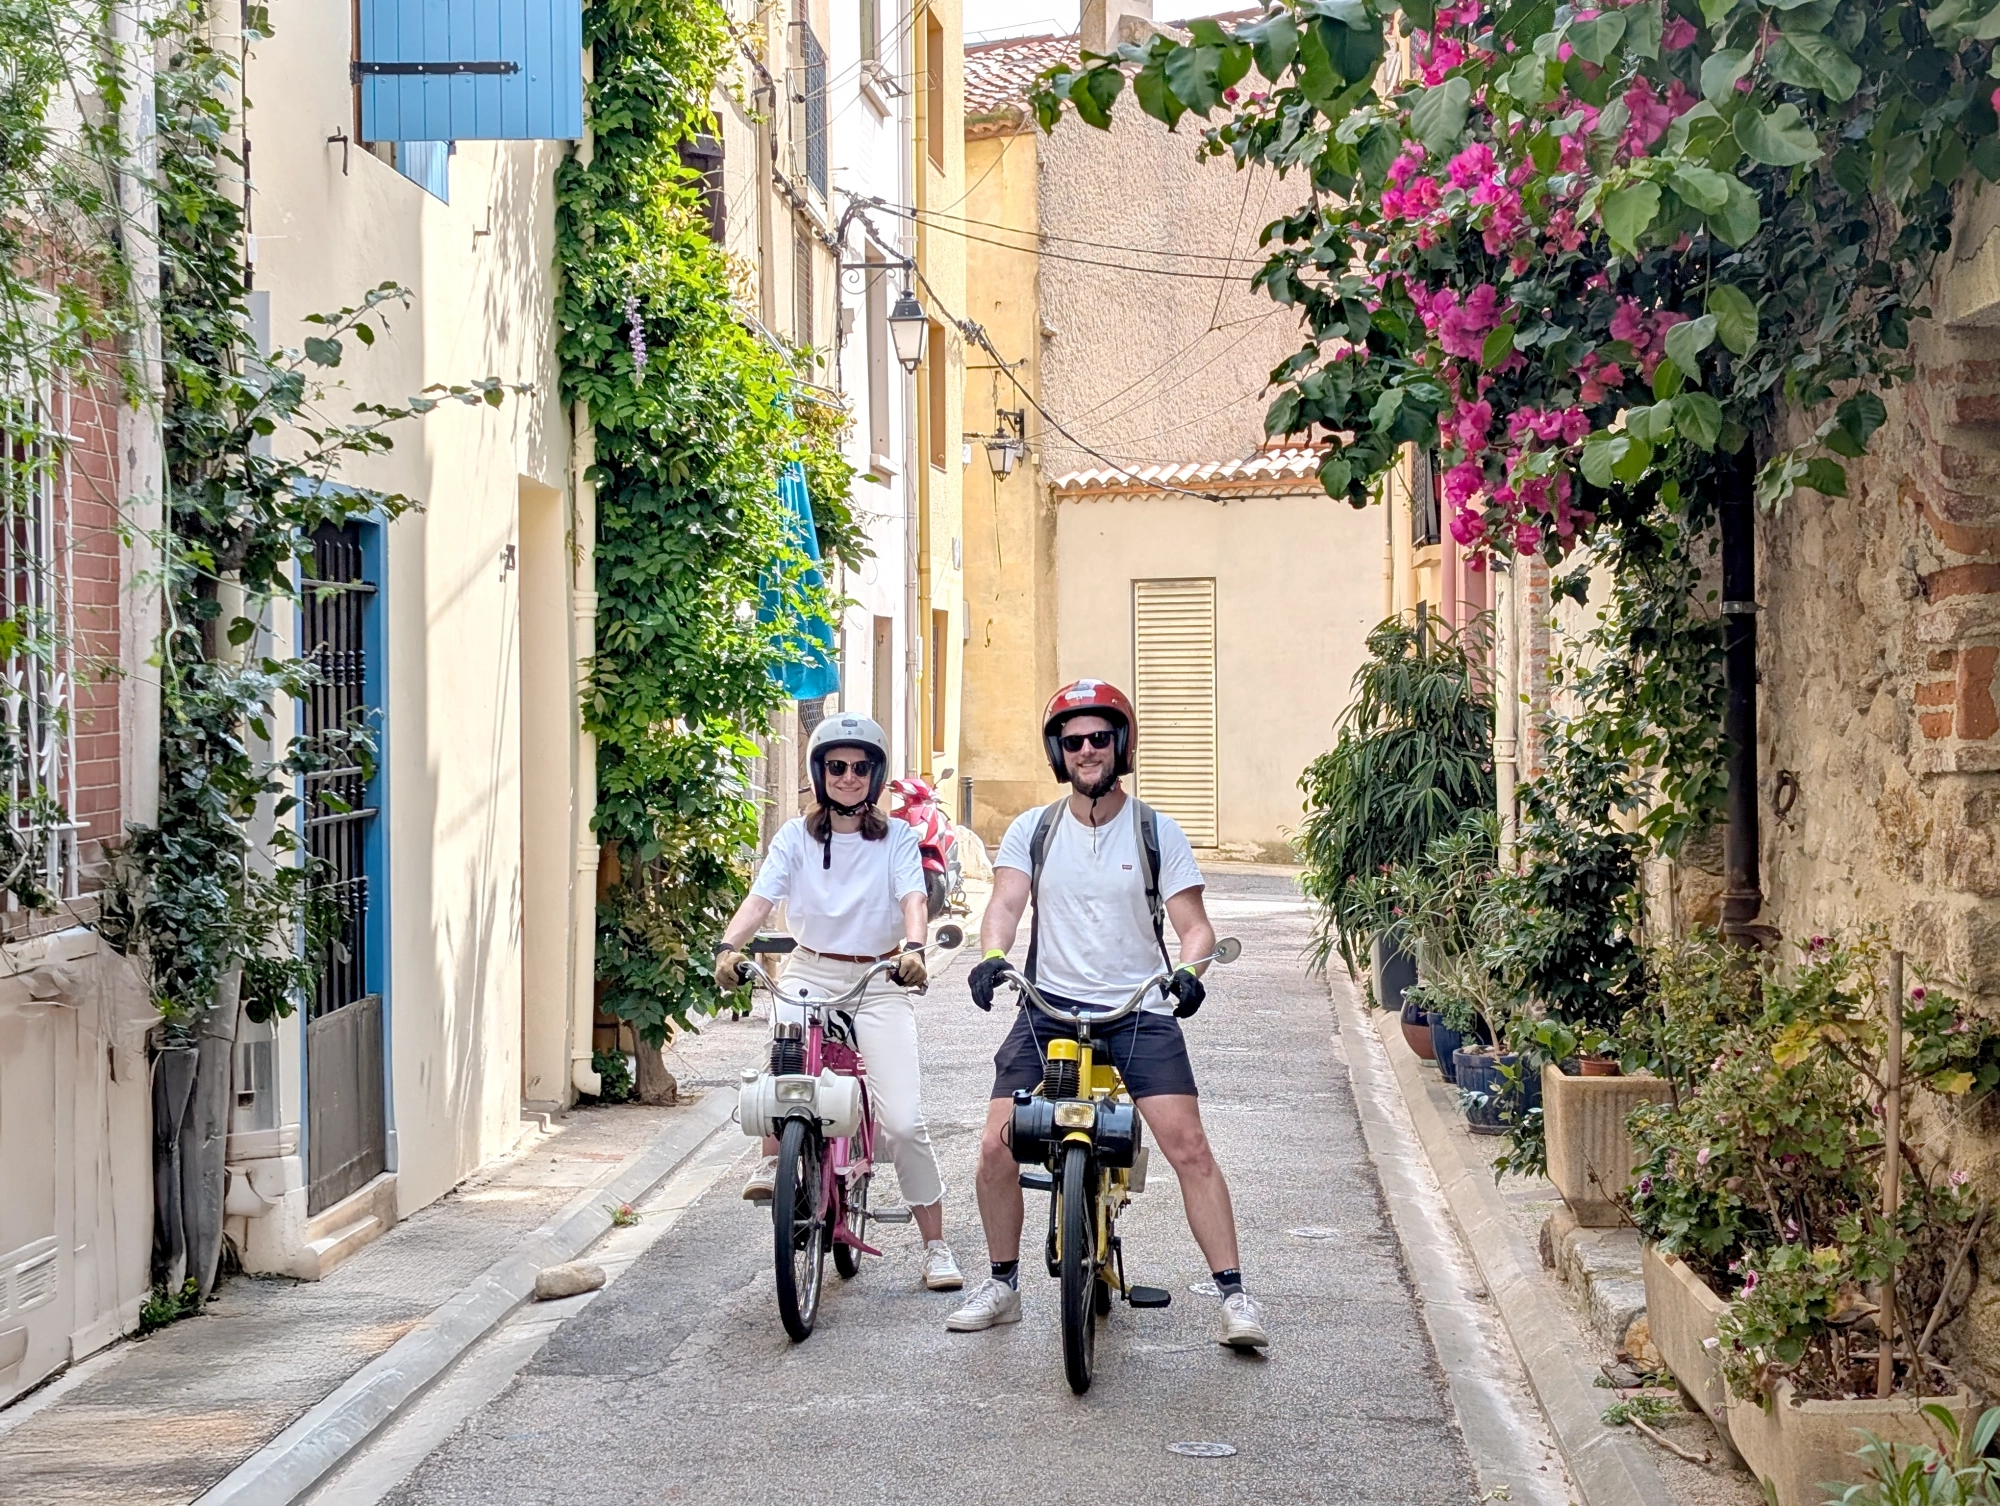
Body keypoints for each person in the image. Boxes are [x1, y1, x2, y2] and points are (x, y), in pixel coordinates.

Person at [945, 680, 1268, 1350]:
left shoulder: (1156, 830)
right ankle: (1003, 1284)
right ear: (1058, 754)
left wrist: (1188, 972)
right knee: (993, 1147)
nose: (1087, 750)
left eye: (1098, 738)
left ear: (1119, 746)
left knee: (1189, 1147)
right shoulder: (1034, 830)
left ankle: (1235, 1296)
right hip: (1047, 1008)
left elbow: (1195, 927)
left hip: (1137, 1008)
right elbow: (1003, 905)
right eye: (1073, 741)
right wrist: (993, 955)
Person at [712, 713, 963, 1292]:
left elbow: (911, 897)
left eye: (859, 768)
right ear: (819, 773)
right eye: (836, 767)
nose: (847, 777)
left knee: (902, 1120)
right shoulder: (794, 838)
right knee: (786, 1064)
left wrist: (916, 949)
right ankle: (777, 1158)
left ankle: (936, 1245)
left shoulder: (897, 837)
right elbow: (760, 899)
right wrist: (729, 946)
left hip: (878, 977)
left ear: (874, 776)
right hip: (809, 970)